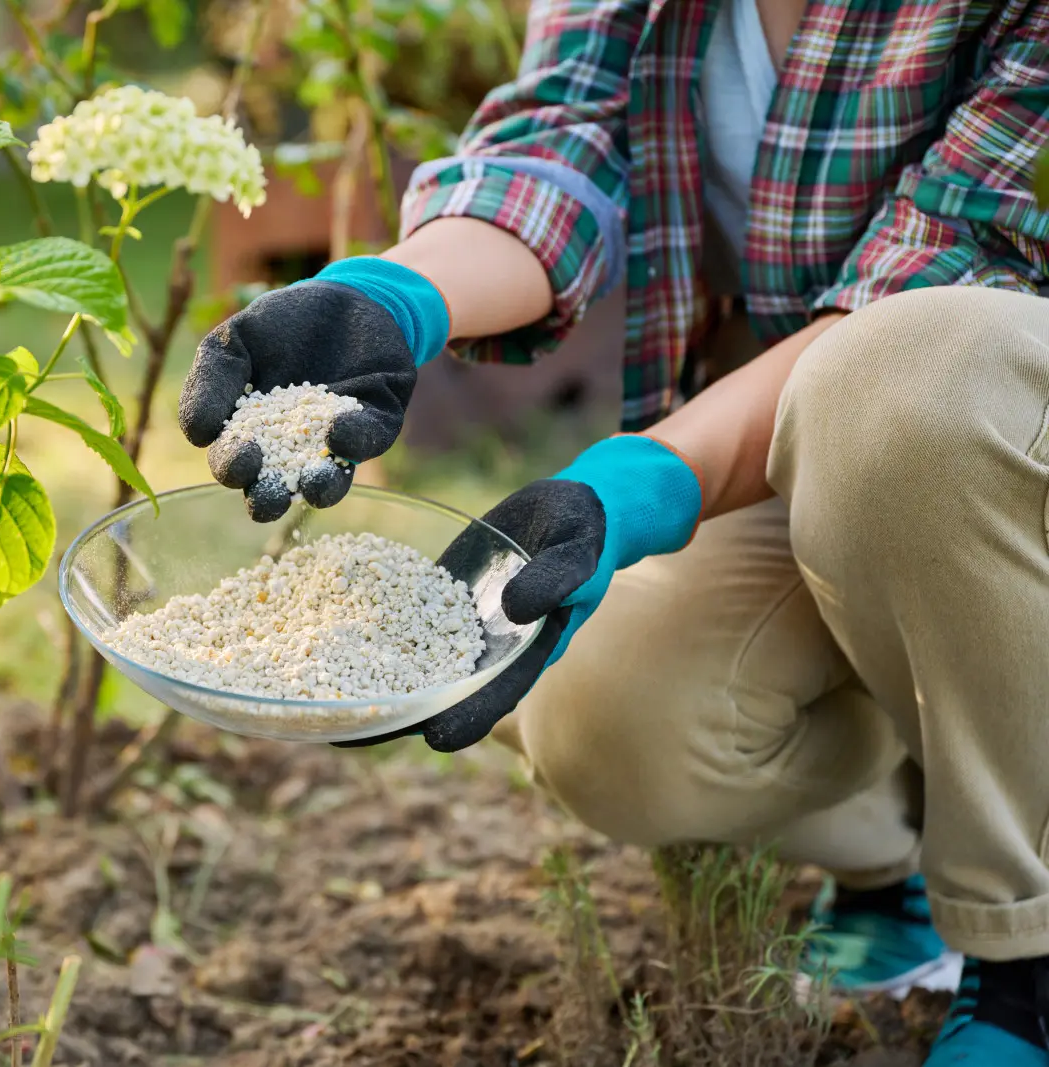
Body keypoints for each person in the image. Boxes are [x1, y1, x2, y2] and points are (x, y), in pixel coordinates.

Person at [177, 0, 1049, 1061]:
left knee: (911, 378)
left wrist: (637, 482)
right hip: (812, 445)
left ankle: (1023, 967)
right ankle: (905, 844)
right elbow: (554, 146)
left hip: (990, 432)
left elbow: (942, 263)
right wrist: (389, 296)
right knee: (607, 713)